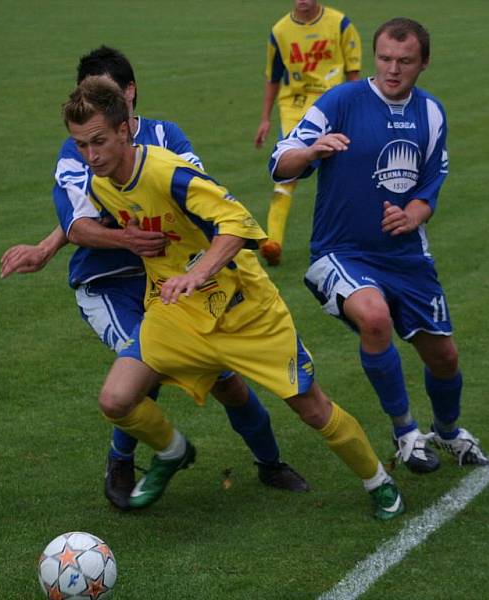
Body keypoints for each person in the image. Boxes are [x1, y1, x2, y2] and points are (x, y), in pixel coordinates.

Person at [61, 75, 405, 520]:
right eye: (80, 146)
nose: (91, 155)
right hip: (177, 316)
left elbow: (237, 223)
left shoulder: (168, 172)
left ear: (125, 130)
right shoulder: (102, 179)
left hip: (245, 311)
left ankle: (379, 481)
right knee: (116, 400)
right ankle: (172, 451)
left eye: (99, 142)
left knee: (311, 408)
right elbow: (83, 212)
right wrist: (47, 246)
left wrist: (197, 273)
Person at [0, 46, 309, 511]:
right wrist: (114, 240)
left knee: (228, 381)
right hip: (108, 283)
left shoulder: (166, 136)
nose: (96, 105)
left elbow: (196, 199)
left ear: (128, 94)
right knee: (146, 371)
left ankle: (270, 462)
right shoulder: (79, 148)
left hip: (171, 280)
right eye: (88, 93)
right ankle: (121, 460)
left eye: (106, 92)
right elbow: (80, 220)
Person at [269, 18, 489, 474]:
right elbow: (279, 162)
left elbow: (431, 183)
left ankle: (447, 431)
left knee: (444, 356)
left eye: (405, 61)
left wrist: (412, 214)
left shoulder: (431, 112)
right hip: (340, 252)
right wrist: (311, 152)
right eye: (385, 59)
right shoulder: (341, 101)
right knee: (375, 318)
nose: (393, 69)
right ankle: (406, 431)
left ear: (423, 63)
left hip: (406, 255)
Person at [254, 0, 361, 266]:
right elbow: (273, 76)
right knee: (288, 167)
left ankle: (347, 239)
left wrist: (355, 110)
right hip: (295, 107)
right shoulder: (280, 30)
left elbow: (353, 74)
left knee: (343, 168)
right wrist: (265, 118)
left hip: (334, 103)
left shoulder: (340, 23)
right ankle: (272, 242)